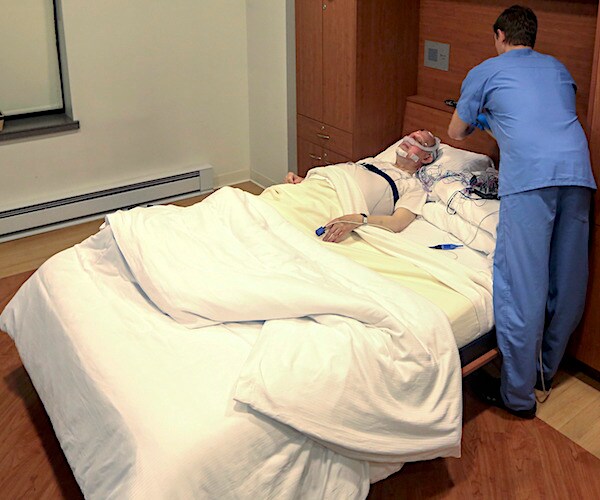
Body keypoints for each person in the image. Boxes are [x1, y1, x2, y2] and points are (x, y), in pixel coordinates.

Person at [447, 5, 597, 419]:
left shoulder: (487, 70)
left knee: (521, 284)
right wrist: (498, 122)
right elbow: (540, 121)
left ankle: (516, 396)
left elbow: (455, 133)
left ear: (499, 35)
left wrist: (482, 117)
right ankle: (544, 373)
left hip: (532, 178)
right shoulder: (558, 70)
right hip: (578, 173)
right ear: (532, 36)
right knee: (566, 279)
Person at [285, 130, 440, 243]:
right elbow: (342, 177)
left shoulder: (413, 186)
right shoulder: (373, 161)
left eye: (419, 142)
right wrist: (304, 180)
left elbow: (397, 223)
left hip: (334, 206)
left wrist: (358, 220)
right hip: (312, 189)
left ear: (426, 157)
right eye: (412, 135)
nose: (411, 139)